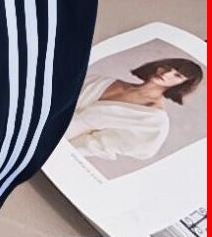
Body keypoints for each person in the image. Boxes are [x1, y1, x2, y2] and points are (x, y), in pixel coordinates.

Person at [65, 57, 204, 161]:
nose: (166, 74)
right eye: (167, 67)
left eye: (177, 76)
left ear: (183, 85)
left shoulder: (154, 120)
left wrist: (63, 151)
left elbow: (99, 145)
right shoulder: (102, 81)